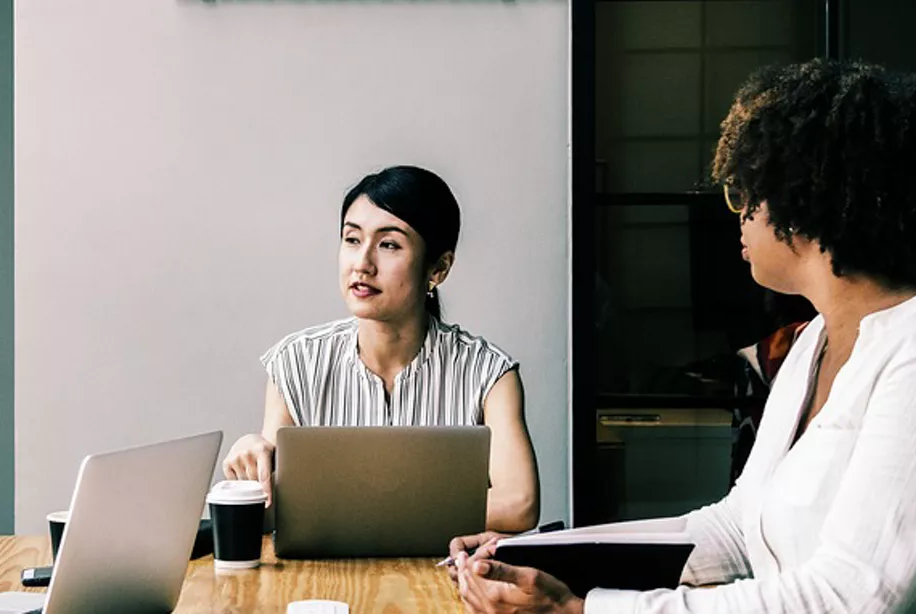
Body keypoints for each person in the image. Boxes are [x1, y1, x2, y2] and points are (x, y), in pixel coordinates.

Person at [452, 59, 916, 613]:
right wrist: (535, 552)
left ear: (804, 197)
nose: (738, 217)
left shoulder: (907, 356)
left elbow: (850, 599)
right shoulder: (812, 344)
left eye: (744, 194)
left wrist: (578, 609)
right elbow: (733, 530)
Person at [223, 165, 540, 533]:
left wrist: (351, 508)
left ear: (438, 269)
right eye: (352, 240)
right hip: (324, 586)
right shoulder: (295, 363)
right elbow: (274, 510)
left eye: (389, 244)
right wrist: (250, 456)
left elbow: (519, 504)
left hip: (443, 582)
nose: (362, 264)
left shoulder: (488, 373)